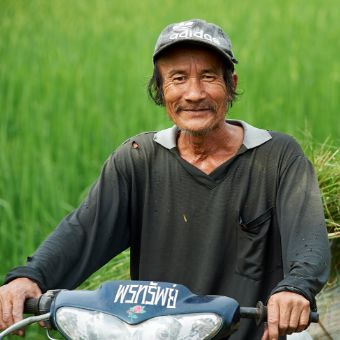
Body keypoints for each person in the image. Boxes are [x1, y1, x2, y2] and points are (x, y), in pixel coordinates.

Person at [0, 19, 330, 340]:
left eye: (208, 76)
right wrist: (31, 277)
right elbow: (84, 230)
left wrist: (294, 288)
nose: (194, 93)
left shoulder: (277, 157)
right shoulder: (138, 158)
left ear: (231, 84)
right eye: (178, 78)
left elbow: (308, 239)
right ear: (161, 89)